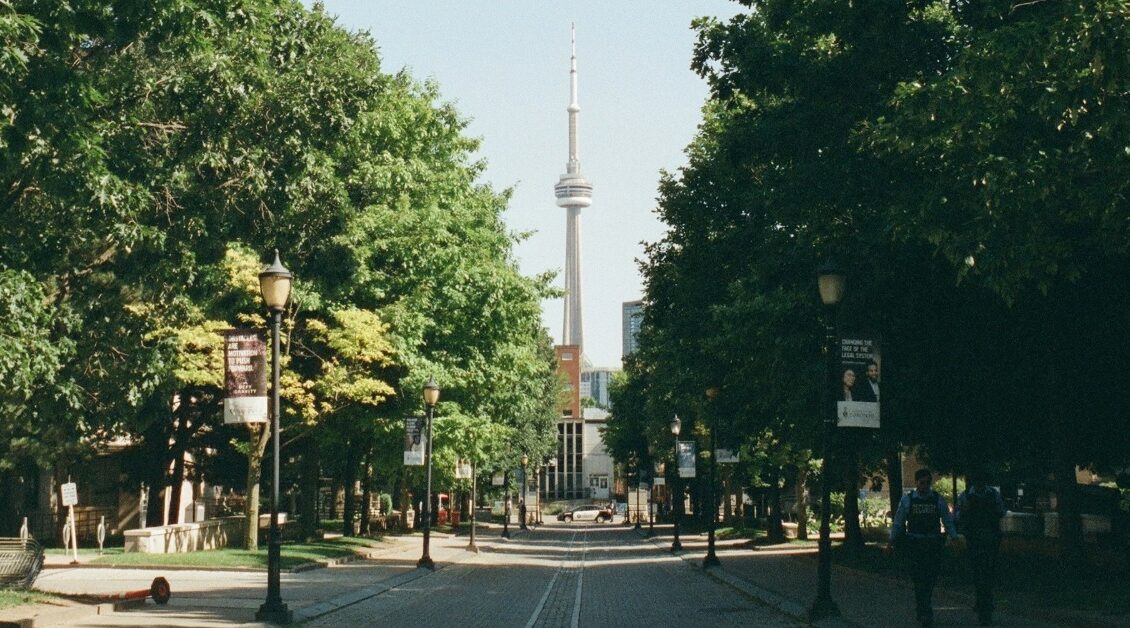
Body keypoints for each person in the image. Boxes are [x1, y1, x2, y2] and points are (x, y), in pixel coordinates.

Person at [891, 468, 958, 627]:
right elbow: (899, 522)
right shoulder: (908, 500)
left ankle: (924, 607)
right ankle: (924, 609)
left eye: (928, 482)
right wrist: (892, 540)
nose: (925, 486)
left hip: (933, 543)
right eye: (922, 483)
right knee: (918, 578)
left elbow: (947, 520)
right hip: (915, 543)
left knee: (930, 578)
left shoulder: (937, 499)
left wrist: (954, 537)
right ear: (916, 483)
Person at [957, 470, 1006, 625]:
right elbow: (958, 514)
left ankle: (985, 599)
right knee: (978, 570)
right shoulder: (967, 496)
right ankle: (982, 598)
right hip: (975, 537)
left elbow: (1001, 511)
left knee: (988, 571)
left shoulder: (990, 494)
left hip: (990, 536)